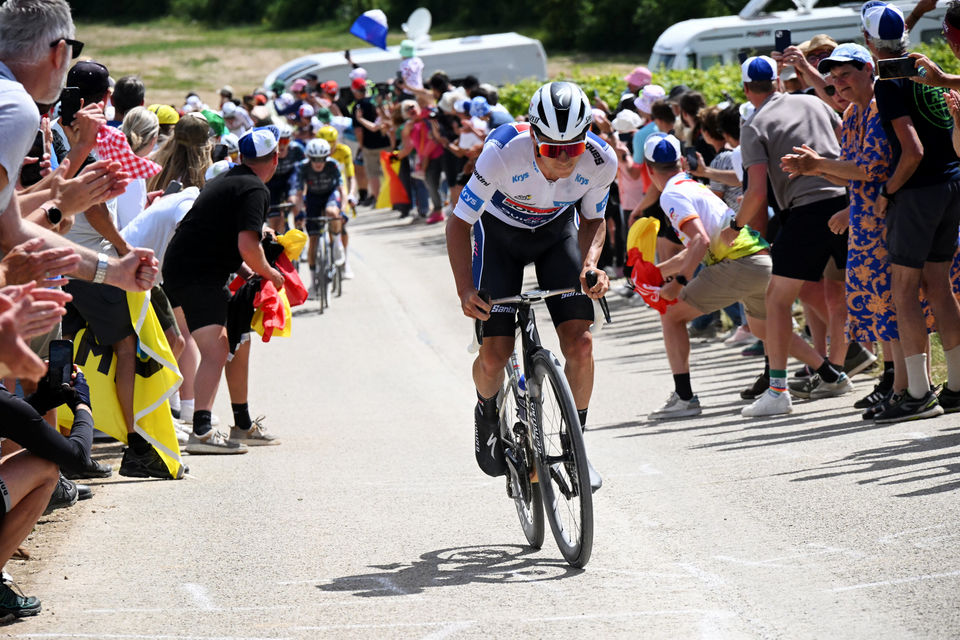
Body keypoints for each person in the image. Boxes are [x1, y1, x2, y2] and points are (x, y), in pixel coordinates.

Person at [445, 82, 614, 491]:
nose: (565, 160)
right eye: (554, 150)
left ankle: (575, 450)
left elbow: (593, 220)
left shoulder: (599, 160)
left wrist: (591, 265)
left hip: (556, 237)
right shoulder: (501, 153)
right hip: (499, 239)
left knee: (582, 343)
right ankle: (488, 410)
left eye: (572, 148)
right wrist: (465, 289)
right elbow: (459, 223)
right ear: (535, 137)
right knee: (494, 358)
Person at [641, 133, 819, 418]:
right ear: (681, 162)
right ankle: (831, 373)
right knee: (766, 330)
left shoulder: (672, 194)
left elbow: (699, 242)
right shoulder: (694, 186)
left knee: (671, 313)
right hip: (760, 260)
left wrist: (678, 284)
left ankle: (684, 398)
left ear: (648, 169)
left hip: (737, 264)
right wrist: (656, 272)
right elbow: (695, 248)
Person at [734, 55, 854, 417]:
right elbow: (845, 143)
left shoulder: (754, 124)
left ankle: (777, 390)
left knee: (776, 299)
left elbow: (756, 194)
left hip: (807, 210)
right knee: (849, 292)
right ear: (779, 80)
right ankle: (841, 371)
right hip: (850, 199)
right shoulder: (814, 101)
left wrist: (735, 228)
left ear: (745, 89)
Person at [864, 2, 960, 419]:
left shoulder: (886, 82)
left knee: (903, 290)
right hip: (952, 182)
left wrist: (887, 191)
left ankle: (918, 394)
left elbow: (912, 151)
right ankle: (956, 385)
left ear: (869, 41)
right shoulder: (927, 64)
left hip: (918, 191)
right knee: (940, 285)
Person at [162, 127, 284, 453]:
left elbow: (222, 237)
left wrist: (247, 271)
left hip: (184, 268)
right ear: (274, 159)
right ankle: (201, 431)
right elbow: (247, 243)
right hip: (198, 274)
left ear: (242, 158)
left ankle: (234, 425)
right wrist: (270, 272)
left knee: (222, 345)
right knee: (217, 349)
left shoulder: (228, 180)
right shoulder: (255, 190)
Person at [300, 138, 348, 286]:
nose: (318, 162)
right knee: (313, 240)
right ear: (309, 158)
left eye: (322, 158)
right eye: (315, 159)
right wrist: (301, 211)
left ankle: (337, 245)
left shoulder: (333, 165)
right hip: (313, 198)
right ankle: (313, 281)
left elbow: (341, 189)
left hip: (330, 195)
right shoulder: (303, 167)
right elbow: (299, 191)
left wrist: (343, 209)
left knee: (332, 212)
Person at [351, 78, 391, 206]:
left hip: (369, 145)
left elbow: (359, 131)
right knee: (389, 172)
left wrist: (361, 145)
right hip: (386, 143)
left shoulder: (358, 107)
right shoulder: (377, 104)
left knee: (373, 174)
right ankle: (392, 199)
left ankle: (379, 200)